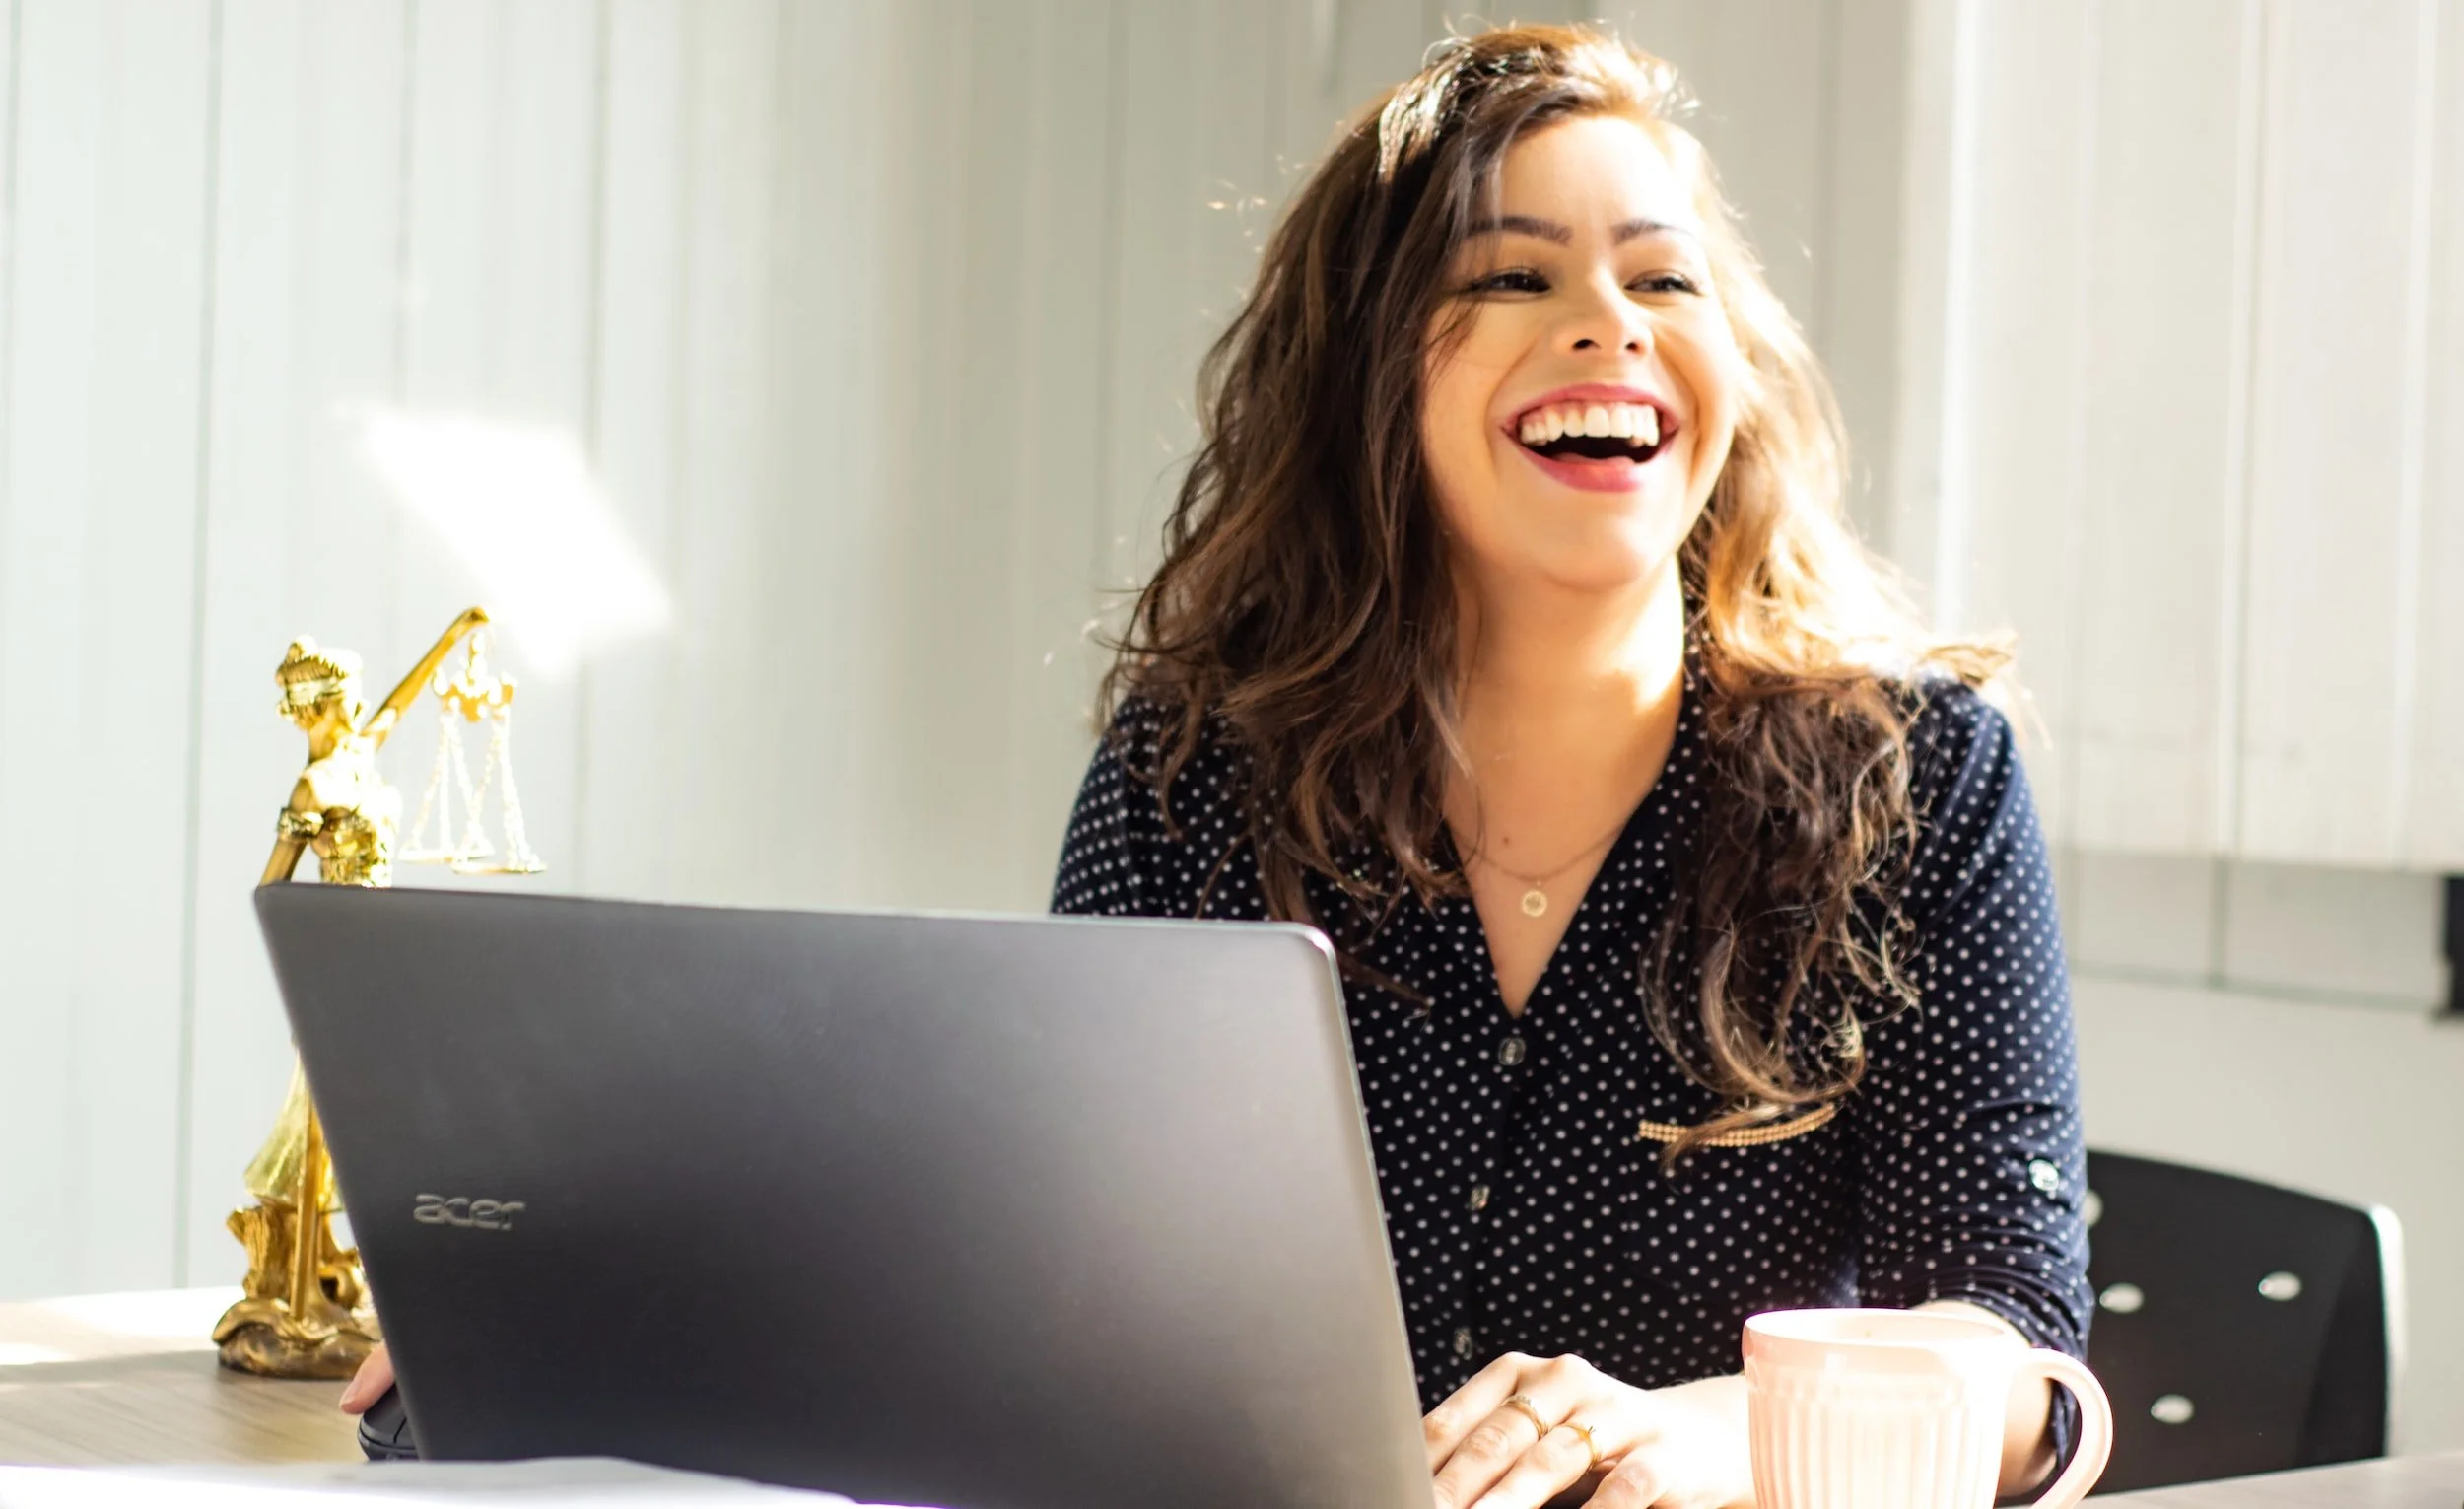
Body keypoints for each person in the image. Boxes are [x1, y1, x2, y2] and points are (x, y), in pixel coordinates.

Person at [349, 23, 2089, 1509]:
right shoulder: (1196, 774)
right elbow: (1023, 1272)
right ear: (1368, 385)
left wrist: (1708, 1431)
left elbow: (2016, 1360)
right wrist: (580, 1312)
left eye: (1661, 273)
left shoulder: (1917, 786)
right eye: (1512, 274)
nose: (1607, 322)